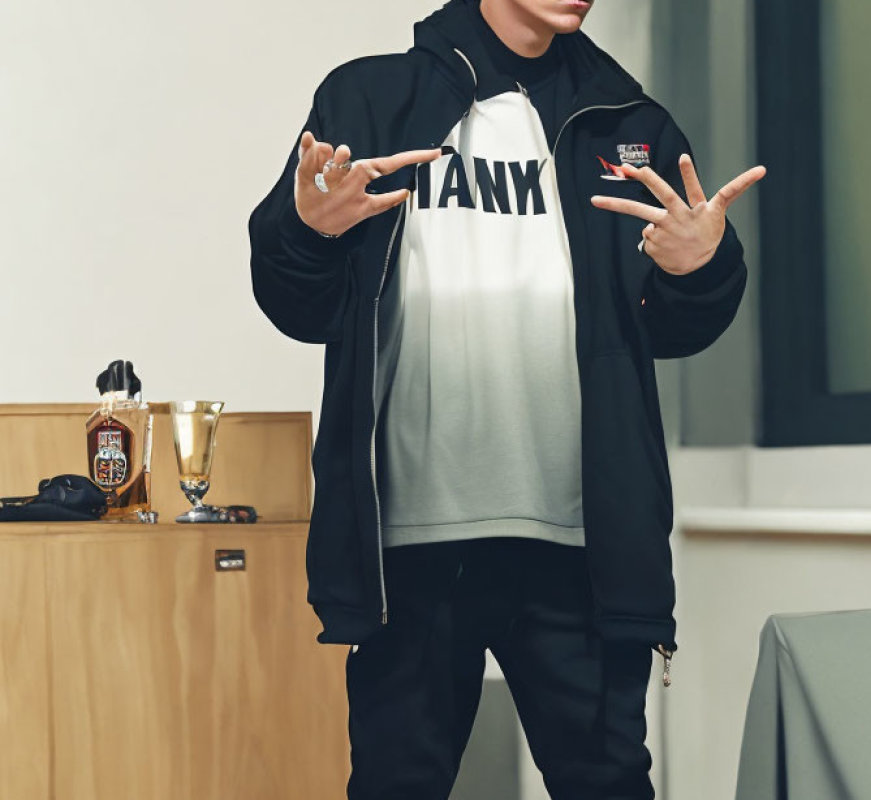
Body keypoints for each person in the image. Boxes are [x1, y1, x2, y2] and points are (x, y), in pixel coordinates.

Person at [248, 0, 765, 797]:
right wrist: (307, 228)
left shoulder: (629, 125)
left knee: (611, 785)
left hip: (584, 551)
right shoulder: (369, 102)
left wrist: (702, 268)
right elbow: (300, 308)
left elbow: (672, 330)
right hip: (411, 550)